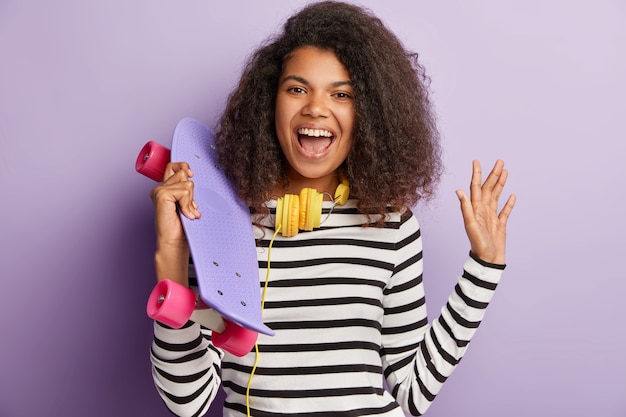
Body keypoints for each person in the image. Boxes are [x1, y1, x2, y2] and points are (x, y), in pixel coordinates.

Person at [148, 2, 516, 416]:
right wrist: (172, 254)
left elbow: (412, 393)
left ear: (369, 115)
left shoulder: (391, 227)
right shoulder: (218, 220)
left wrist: (483, 269)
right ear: (269, 102)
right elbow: (188, 402)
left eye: (341, 94)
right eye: (297, 89)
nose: (316, 108)